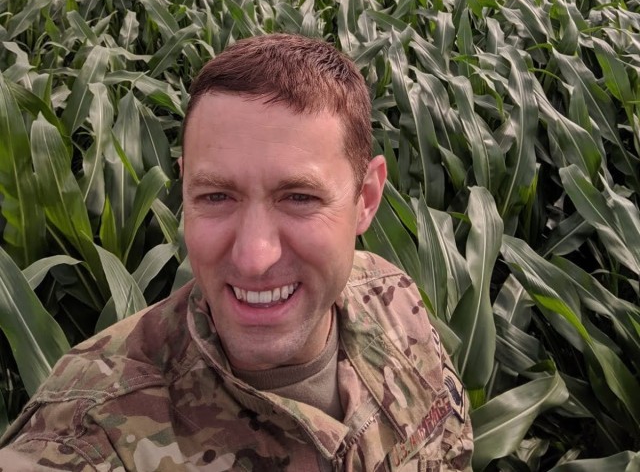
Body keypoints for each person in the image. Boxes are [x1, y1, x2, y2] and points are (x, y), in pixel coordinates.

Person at [0, 34, 473, 471]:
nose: (253, 258)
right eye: (216, 196)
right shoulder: (88, 430)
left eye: (299, 198)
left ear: (366, 198)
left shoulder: (395, 301)